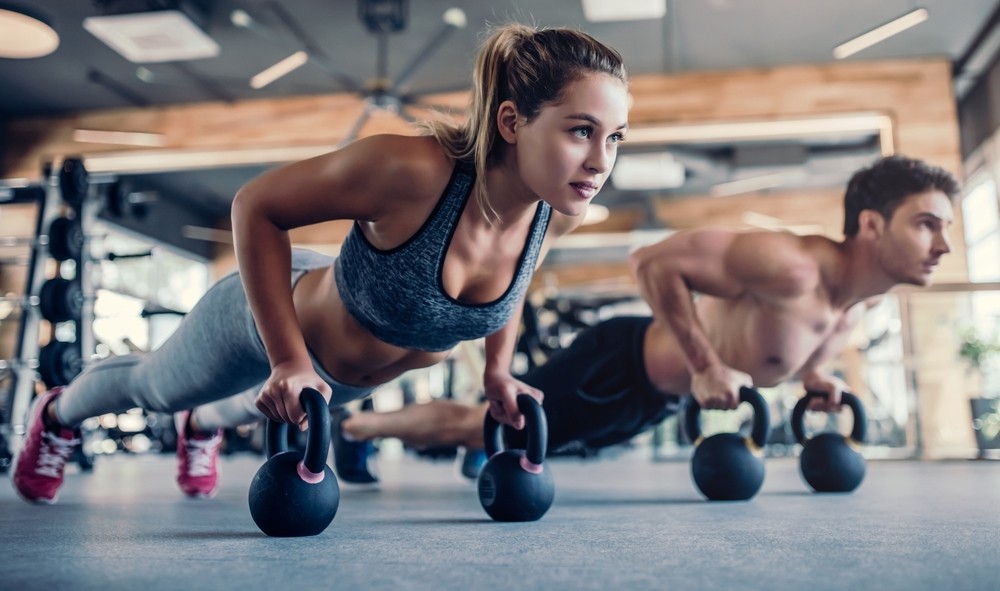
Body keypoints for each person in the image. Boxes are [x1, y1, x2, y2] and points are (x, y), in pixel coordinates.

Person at [12, 23, 631, 503]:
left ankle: (203, 427)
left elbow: (512, 288)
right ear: (511, 121)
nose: (601, 161)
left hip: (326, 381)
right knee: (154, 390)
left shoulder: (556, 212)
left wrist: (498, 371)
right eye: (582, 130)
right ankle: (58, 414)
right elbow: (256, 205)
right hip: (269, 317)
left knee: (249, 403)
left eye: (615, 137)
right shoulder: (411, 173)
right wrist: (287, 358)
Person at [328, 154, 960, 481]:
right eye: (927, 224)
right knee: (480, 429)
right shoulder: (789, 263)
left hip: (649, 399)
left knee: (505, 437)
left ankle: (364, 429)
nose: (944, 245)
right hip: (620, 365)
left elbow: (801, 337)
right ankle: (356, 429)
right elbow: (652, 261)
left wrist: (817, 374)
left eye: (948, 228)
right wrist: (707, 363)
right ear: (872, 226)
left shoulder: (861, 301)